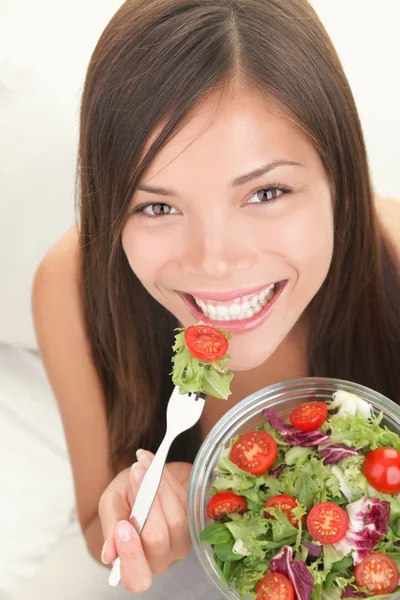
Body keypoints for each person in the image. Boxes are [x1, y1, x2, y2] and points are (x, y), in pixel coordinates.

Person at [32, 0, 400, 596]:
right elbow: (97, 527)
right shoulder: (72, 287)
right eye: (157, 206)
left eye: (267, 191)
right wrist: (150, 511)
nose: (215, 261)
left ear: (341, 178)